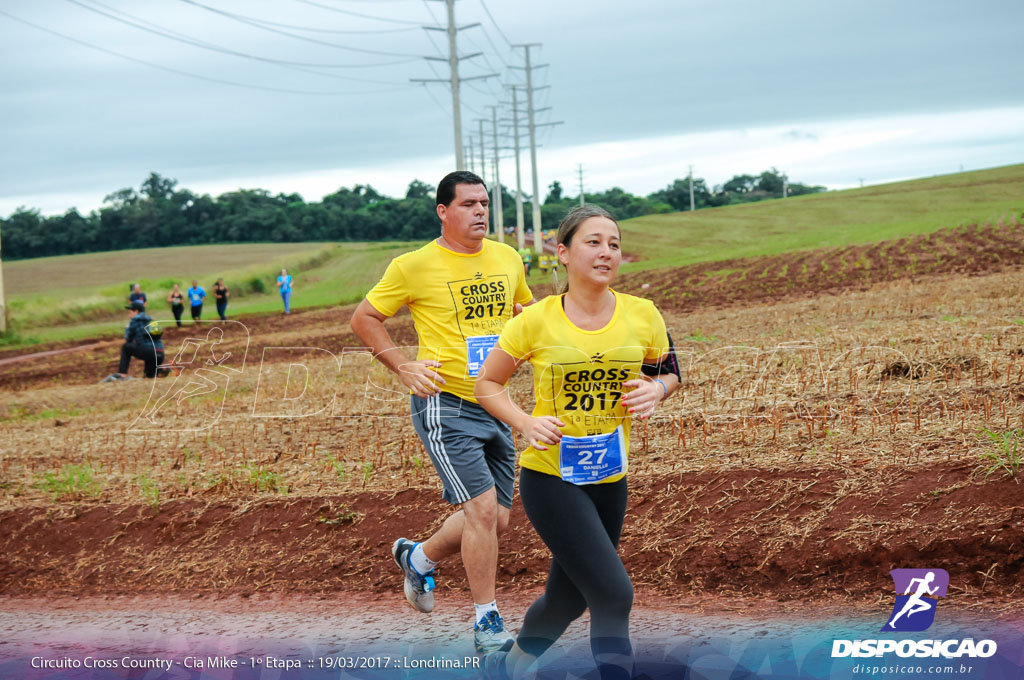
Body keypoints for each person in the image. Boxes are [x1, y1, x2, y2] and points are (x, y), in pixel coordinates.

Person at [475, 205, 680, 680]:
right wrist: (524, 423)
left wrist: (657, 389)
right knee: (613, 594)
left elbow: (669, 371)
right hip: (551, 478)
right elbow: (487, 385)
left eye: (614, 243)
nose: (606, 252)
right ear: (562, 253)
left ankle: (505, 668)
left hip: (610, 475)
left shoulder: (643, 314)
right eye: (593, 242)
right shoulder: (536, 321)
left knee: (567, 599)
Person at [350, 171, 534, 653]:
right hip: (445, 403)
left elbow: (524, 313)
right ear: (443, 211)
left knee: (497, 520)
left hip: (496, 401)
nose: (480, 212)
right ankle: (486, 621)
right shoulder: (412, 266)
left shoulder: (508, 257)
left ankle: (418, 559)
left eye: (485, 204)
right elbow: (364, 318)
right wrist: (402, 366)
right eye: (469, 204)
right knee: (478, 512)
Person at [112, 301, 162, 379]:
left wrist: (127, 328)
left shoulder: (135, 320)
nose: (129, 314)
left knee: (126, 347)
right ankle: (161, 370)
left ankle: (122, 374)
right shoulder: (151, 320)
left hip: (149, 352)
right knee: (149, 376)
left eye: (130, 312)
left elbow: (128, 339)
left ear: (136, 311)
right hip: (159, 353)